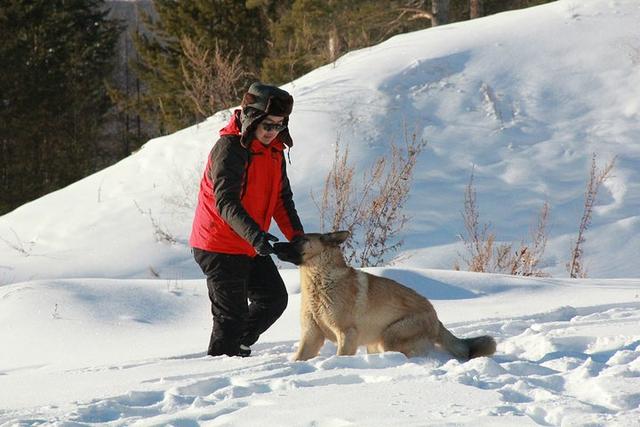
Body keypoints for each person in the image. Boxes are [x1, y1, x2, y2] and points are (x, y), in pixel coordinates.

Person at [190, 82, 304, 357]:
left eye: (279, 125)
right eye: (268, 125)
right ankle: (215, 377)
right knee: (231, 319)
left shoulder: (275, 150)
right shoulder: (230, 148)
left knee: (273, 299)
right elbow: (225, 202)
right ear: (252, 118)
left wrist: (298, 239)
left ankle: (236, 346)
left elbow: (281, 199)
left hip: (249, 242)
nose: (273, 132)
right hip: (218, 244)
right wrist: (256, 236)